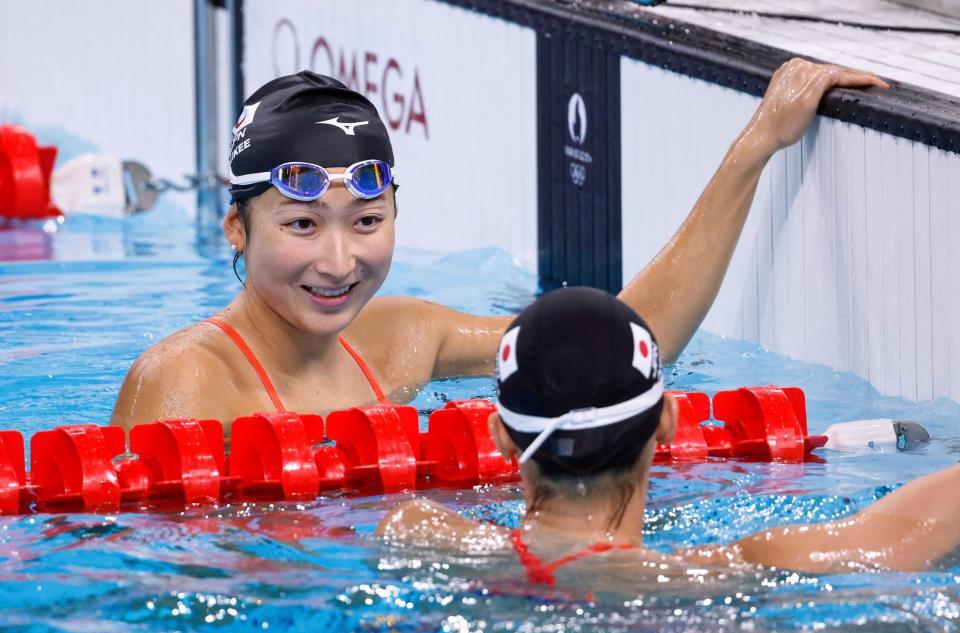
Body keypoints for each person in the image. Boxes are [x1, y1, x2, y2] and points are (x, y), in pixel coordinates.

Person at [111, 60, 888, 430]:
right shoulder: (184, 384)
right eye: (303, 225)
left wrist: (756, 144)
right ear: (237, 230)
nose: (340, 262)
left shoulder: (402, 337)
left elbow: (618, 342)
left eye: (368, 221)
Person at [377, 287, 960, 582]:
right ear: (669, 424)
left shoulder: (417, 531)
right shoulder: (740, 566)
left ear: (499, 435)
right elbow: (896, 535)